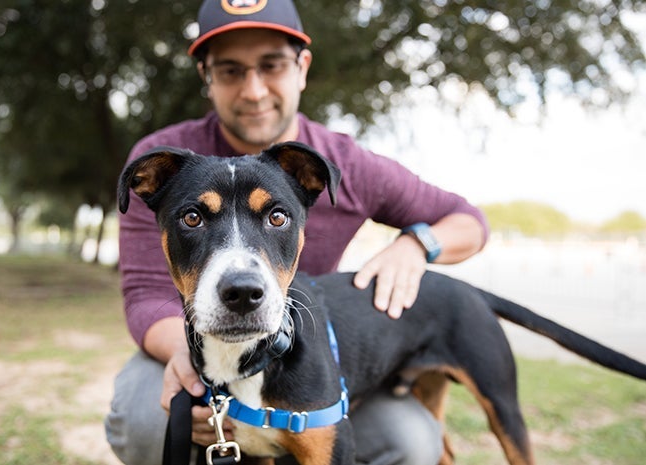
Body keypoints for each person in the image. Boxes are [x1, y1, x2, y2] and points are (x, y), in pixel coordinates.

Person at [105, 1, 489, 464]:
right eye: (230, 71)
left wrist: (416, 244)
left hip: (304, 354)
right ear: (206, 76)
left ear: (302, 67)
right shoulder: (161, 164)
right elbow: (145, 294)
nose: (253, 90)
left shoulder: (341, 164)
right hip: (190, 338)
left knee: (410, 440)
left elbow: (468, 221)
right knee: (149, 418)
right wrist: (192, 361)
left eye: (272, 66)